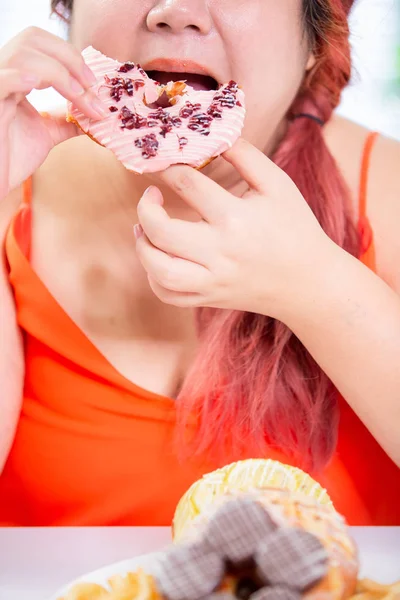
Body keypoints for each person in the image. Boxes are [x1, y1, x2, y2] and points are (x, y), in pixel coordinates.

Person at [0, 0, 399, 527]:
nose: (175, 10)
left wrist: (315, 289)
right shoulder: (13, 172)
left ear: (315, 38)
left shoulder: (387, 193)